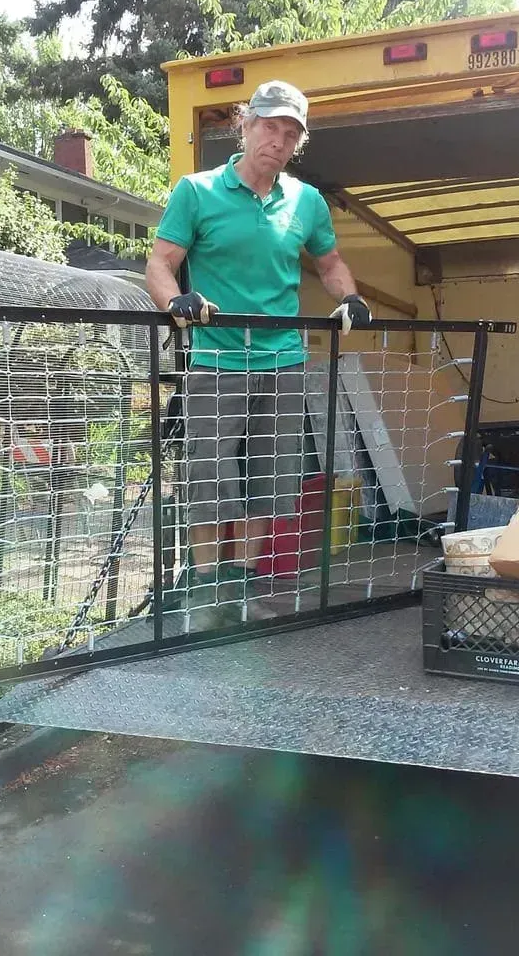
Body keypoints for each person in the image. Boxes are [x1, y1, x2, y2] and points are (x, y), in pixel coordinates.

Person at [146, 79, 371, 628]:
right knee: (208, 477)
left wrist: (351, 297)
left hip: (283, 361)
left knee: (271, 479)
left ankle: (240, 591)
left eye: (290, 132)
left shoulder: (307, 202)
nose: (278, 138)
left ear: (299, 143)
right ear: (244, 127)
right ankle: (204, 592)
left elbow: (330, 264)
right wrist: (178, 301)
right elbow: (158, 264)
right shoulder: (196, 192)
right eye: (269, 126)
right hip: (216, 361)